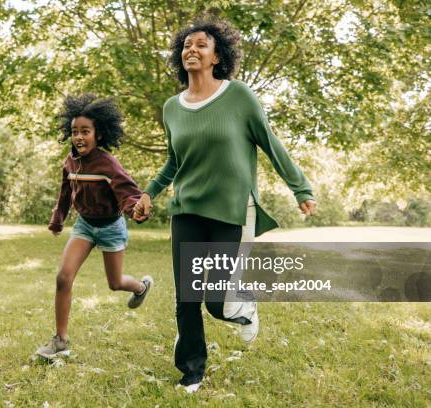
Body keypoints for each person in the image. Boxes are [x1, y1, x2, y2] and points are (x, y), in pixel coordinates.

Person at [133, 18, 316, 392]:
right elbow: (174, 160)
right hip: (186, 208)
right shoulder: (172, 107)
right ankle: (191, 370)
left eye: (201, 44)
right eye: (186, 45)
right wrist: (150, 192)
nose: (191, 50)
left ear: (218, 56)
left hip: (231, 209)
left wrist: (301, 188)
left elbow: (270, 142)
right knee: (187, 298)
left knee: (217, 301)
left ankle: (243, 308)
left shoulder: (238, 96)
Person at [36, 94, 153, 359]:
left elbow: (128, 192)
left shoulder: (107, 163)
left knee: (114, 283)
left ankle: (140, 287)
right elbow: (65, 194)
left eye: (85, 131)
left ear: (98, 134)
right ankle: (60, 340)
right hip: (85, 226)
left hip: (111, 226)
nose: (79, 137)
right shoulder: (70, 162)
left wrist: (136, 209)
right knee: (63, 277)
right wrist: (57, 220)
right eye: (74, 131)